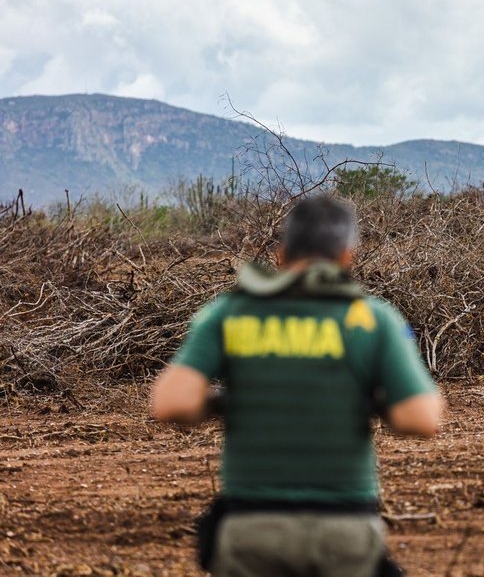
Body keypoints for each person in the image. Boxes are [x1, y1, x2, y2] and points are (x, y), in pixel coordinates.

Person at [150, 195, 443, 576]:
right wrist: (362, 402)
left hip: (251, 528)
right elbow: (420, 418)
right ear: (346, 257)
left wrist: (230, 401)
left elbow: (171, 403)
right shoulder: (373, 319)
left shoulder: (231, 312)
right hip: (345, 531)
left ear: (280, 255)